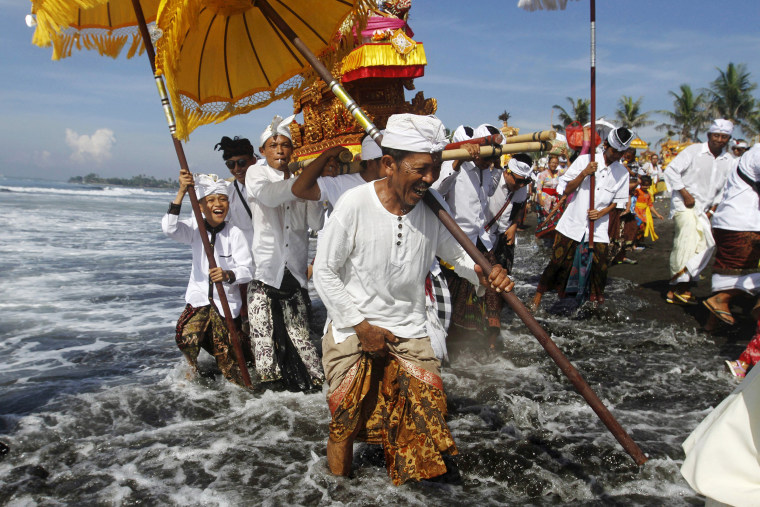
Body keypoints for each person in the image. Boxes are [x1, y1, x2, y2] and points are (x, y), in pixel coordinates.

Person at [313, 114, 514, 485]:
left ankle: (411, 489)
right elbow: (324, 272)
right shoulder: (353, 204)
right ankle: (339, 490)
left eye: (434, 170)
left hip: (410, 329)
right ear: (388, 165)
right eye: (420, 169)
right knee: (346, 422)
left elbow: (458, 254)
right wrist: (361, 326)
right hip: (352, 327)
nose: (428, 179)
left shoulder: (433, 207)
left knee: (426, 421)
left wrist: (485, 272)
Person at [244, 114, 326, 391]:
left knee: (302, 342)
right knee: (266, 346)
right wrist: (303, 182)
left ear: (293, 150)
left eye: (284, 145)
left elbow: (316, 223)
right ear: (262, 151)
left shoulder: (302, 178)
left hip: (295, 272)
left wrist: (314, 188)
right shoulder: (256, 173)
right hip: (267, 272)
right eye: (272, 145)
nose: (279, 150)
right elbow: (268, 196)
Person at [162, 170, 253, 386]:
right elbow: (169, 228)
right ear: (201, 206)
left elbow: (247, 270)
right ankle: (192, 370)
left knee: (232, 363)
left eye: (222, 199)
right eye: (211, 200)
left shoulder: (235, 233)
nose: (218, 204)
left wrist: (228, 274)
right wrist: (182, 191)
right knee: (185, 336)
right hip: (199, 300)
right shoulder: (195, 229)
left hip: (226, 306)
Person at [530, 127, 633, 311]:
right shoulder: (586, 160)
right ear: (606, 145)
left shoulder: (622, 173)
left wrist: (601, 213)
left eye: (621, 152)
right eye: (614, 151)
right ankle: (538, 297)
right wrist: (584, 173)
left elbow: (617, 203)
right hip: (573, 222)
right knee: (558, 262)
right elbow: (567, 190)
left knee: (600, 267)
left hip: (599, 227)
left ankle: (595, 303)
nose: (617, 155)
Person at [432, 124, 504, 347]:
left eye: (491, 159)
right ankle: (455, 339)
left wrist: (497, 163)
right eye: (486, 158)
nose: (488, 163)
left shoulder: (487, 169)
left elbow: (491, 190)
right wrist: (459, 161)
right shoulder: (457, 165)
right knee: (456, 296)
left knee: (491, 286)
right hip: (455, 242)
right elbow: (438, 190)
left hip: (481, 239)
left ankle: (489, 337)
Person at [663, 119, 737, 305]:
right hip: (684, 205)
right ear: (709, 135)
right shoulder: (693, 151)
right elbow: (671, 171)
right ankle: (679, 288)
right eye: (716, 135)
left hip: (705, 209)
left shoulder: (729, 161)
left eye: (724, 137)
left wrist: (713, 209)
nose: (719, 140)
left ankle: (680, 285)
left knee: (705, 245)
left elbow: (725, 188)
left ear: (728, 139)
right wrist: (685, 194)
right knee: (686, 241)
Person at [702, 145, 760, 332]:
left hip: (733, 222)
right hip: (743, 223)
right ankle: (722, 299)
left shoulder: (751, 154)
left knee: (730, 272)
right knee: (742, 274)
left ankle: (712, 323)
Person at [632, 175, 664, 243]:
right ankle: (633, 243)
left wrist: (657, 214)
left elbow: (650, 205)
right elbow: (632, 198)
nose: (645, 187)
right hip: (637, 211)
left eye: (647, 185)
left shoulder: (648, 194)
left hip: (644, 213)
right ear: (640, 184)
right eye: (643, 185)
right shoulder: (637, 191)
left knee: (644, 227)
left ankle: (638, 242)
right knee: (637, 226)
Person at [534, 154, 562, 225]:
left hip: (554, 199)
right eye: (552, 162)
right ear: (549, 163)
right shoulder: (543, 174)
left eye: (556, 163)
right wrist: (541, 201)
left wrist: (566, 156)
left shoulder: (558, 173)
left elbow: (569, 169)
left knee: (554, 220)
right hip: (544, 199)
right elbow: (538, 189)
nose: (554, 164)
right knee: (543, 220)